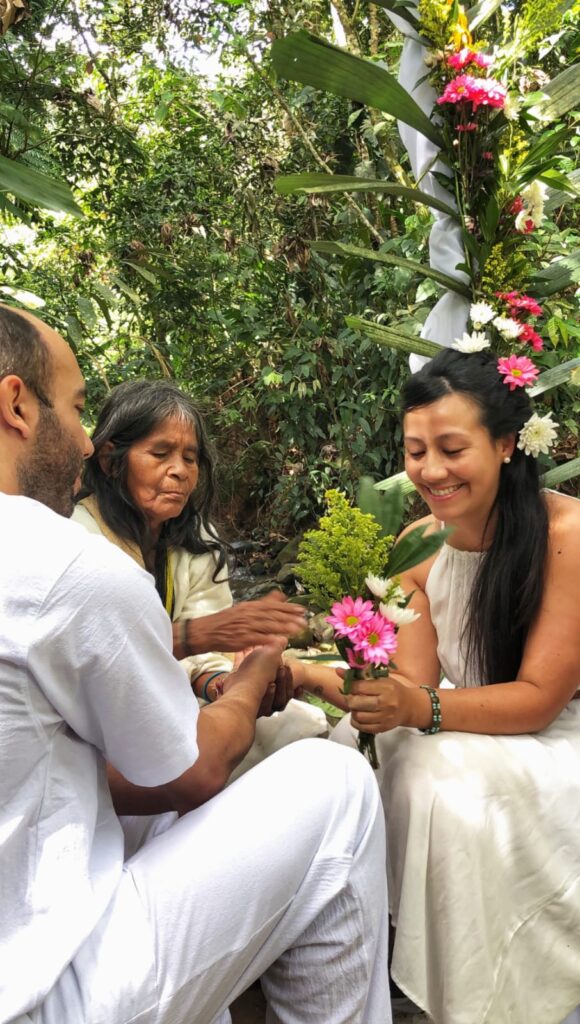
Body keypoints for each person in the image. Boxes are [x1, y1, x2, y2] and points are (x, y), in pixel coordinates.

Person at [0, 304, 392, 1024]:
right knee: (333, 783)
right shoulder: (65, 561)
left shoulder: (186, 544)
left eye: (190, 458)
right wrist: (249, 676)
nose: (83, 443)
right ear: (17, 404)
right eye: (78, 409)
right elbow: (193, 763)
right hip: (44, 988)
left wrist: (232, 670)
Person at [326, 348, 580, 1024]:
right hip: (474, 726)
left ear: (504, 444)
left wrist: (419, 706)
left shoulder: (567, 536)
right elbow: (408, 683)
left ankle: (495, 991)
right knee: (375, 746)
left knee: (434, 769)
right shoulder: (417, 543)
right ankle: (435, 977)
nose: (430, 470)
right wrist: (346, 684)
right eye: (414, 450)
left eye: (450, 447)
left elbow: (537, 699)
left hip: (555, 741)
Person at [71, 379, 327, 771]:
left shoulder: (197, 537)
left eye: (190, 458)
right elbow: (93, 658)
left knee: (305, 727)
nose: (179, 471)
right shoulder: (77, 536)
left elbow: (209, 657)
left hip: (178, 704)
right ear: (109, 459)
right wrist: (198, 635)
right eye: (160, 454)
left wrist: (223, 682)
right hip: (100, 732)